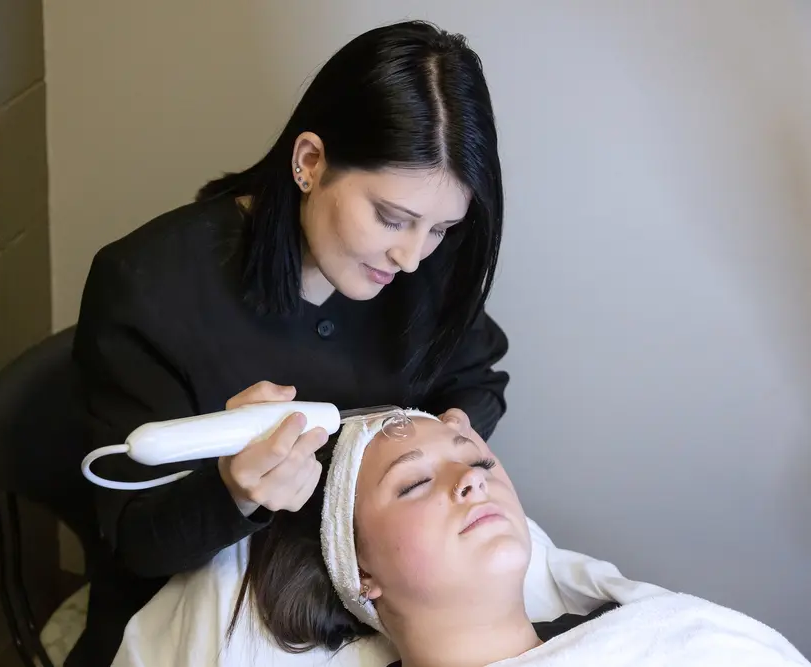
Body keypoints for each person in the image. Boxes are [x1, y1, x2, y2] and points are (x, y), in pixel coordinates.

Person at [69, 20, 509, 665]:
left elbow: (477, 380)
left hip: (365, 592)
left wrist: (445, 445)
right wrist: (234, 491)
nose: (413, 257)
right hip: (199, 610)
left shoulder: (425, 264)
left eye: (441, 228)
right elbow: (134, 541)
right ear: (309, 162)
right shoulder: (148, 288)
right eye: (391, 218)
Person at [235, 413, 809, 667]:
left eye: (479, 460)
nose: (473, 478)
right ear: (361, 571)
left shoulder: (655, 636)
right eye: (413, 483)